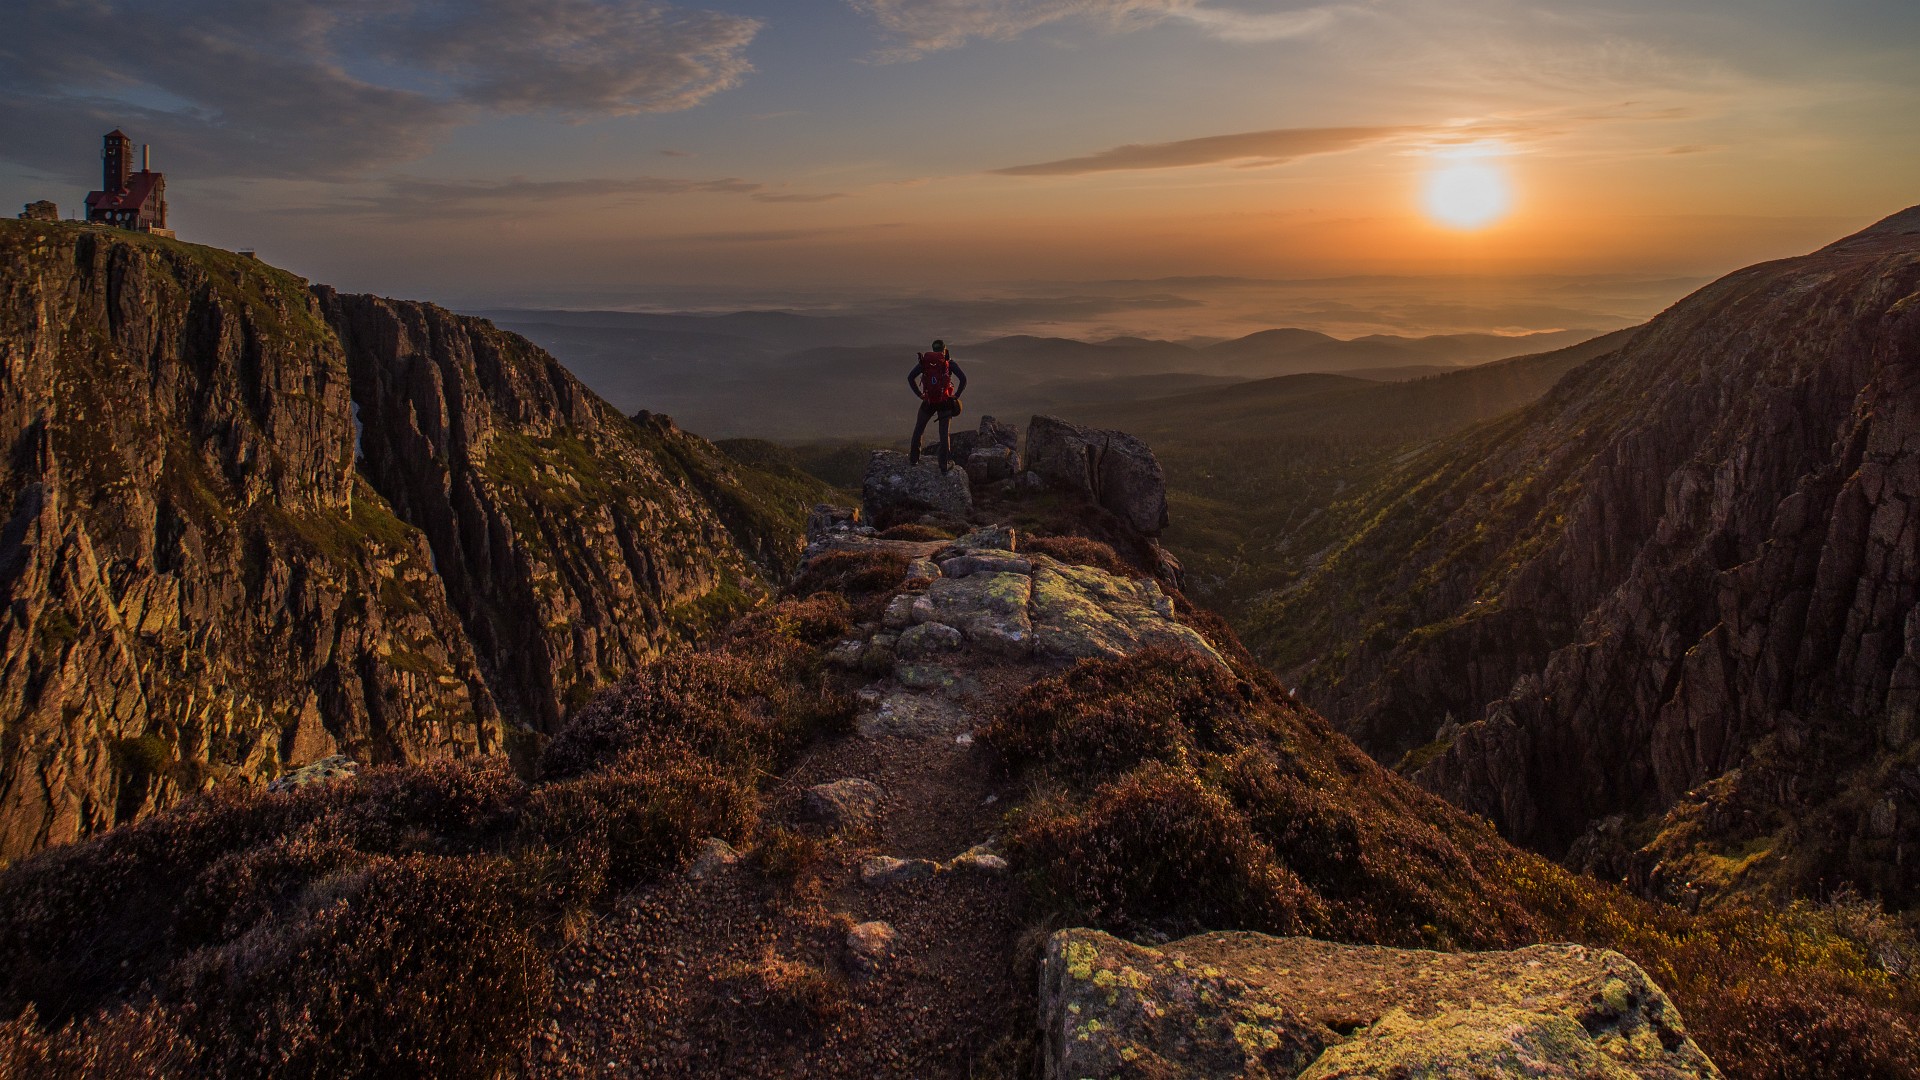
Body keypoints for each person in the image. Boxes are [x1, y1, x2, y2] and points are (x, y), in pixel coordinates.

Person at [907, 338, 968, 471]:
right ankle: (943, 466)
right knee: (944, 434)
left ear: (933, 349)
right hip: (945, 403)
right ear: (944, 349)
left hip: (928, 402)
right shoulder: (948, 363)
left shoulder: (925, 363)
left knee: (919, 429)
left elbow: (910, 377)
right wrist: (956, 396)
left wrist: (920, 394)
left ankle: (913, 460)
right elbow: (963, 379)